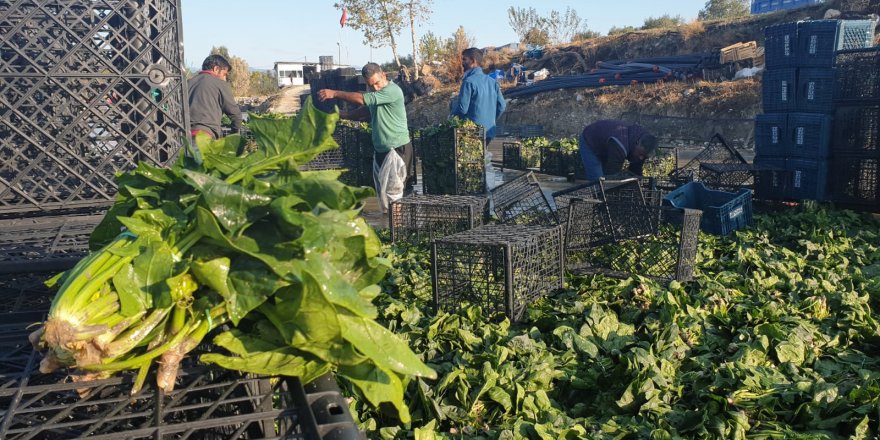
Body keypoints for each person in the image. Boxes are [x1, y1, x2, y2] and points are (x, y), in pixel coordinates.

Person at [318, 63, 413, 212]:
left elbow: (362, 100)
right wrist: (343, 115)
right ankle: (388, 226)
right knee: (382, 196)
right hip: (381, 150)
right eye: (371, 86)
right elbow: (365, 110)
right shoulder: (378, 96)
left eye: (377, 83)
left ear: (384, 76)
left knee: (394, 196)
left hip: (397, 149)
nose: (375, 88)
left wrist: (334, 93)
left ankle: (397, 229)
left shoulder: (392, 91)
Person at [450, 47, 507, 142]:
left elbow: (462, 109)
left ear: (473, 61)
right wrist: (491, 120)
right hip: (489, 132)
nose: (462, 63)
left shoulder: (468, 82)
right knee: (483, 156)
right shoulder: (492, 82)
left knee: (470, 156)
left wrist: (452, 117)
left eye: (464, 59)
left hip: (472, 132)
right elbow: (502, 106)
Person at [578, 120, 658, 182]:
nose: (641, 158)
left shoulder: (644, 145)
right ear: (637, 144)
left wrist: (641, 184)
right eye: (641, 154)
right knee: (597, 181)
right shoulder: (620, 145)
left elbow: (635, 170)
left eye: (644, 156)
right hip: (590, 140)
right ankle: (599, 201)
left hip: (607, 144)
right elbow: (611, 176)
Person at [188, 54, 242, 139]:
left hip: (183, 135)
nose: (225, 78)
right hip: (205, 135)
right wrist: (234, 135)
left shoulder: (188, 83)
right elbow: (235, 114)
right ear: (216, 69)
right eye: (224, 74)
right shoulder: (220, 84)